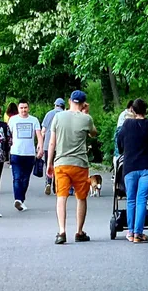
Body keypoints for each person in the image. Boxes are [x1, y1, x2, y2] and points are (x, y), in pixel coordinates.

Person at [47, 90, 97, 244]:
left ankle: (62, 232)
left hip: (61, 163)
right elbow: (94, 134)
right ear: (83, 104)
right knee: (81, 198)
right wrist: (86, 113)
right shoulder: (86, 118)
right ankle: (79, 232)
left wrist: (49, 163)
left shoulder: (58, 116)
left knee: (61, 198)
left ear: (69, 101)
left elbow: (52, 143)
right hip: (80, 164)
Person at [118, 98, 148, 243]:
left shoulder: (127, 124)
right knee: (142, 199)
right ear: (146, 110)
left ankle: (130, 233)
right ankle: (138, 233)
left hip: (130, 167)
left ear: (133, 110)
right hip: (147, 166)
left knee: (131, 200)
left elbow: (120, 143)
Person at [8, 99, 43, 211]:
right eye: (21, 108)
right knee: (17, 178)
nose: (23, 110)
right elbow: (8, 135)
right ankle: (18, 199)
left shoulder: (34, 120)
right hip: (16, 152)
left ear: (28, 108)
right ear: (18, 109)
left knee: (25, 179)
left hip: (29, 153)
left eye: (25, 107)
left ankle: (21, 199)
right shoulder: (13, 120)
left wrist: (40, 146)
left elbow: (39, 134)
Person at [41, 98, 65, 195]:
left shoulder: (49, 114)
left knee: (49, 164)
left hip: (48, 144)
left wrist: (41, 145)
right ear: (63, 106)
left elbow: (43, 130)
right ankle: (56, 186)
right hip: (61, 145)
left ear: (55, 105)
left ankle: (48, 182)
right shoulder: (65, 114)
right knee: (58, 166)